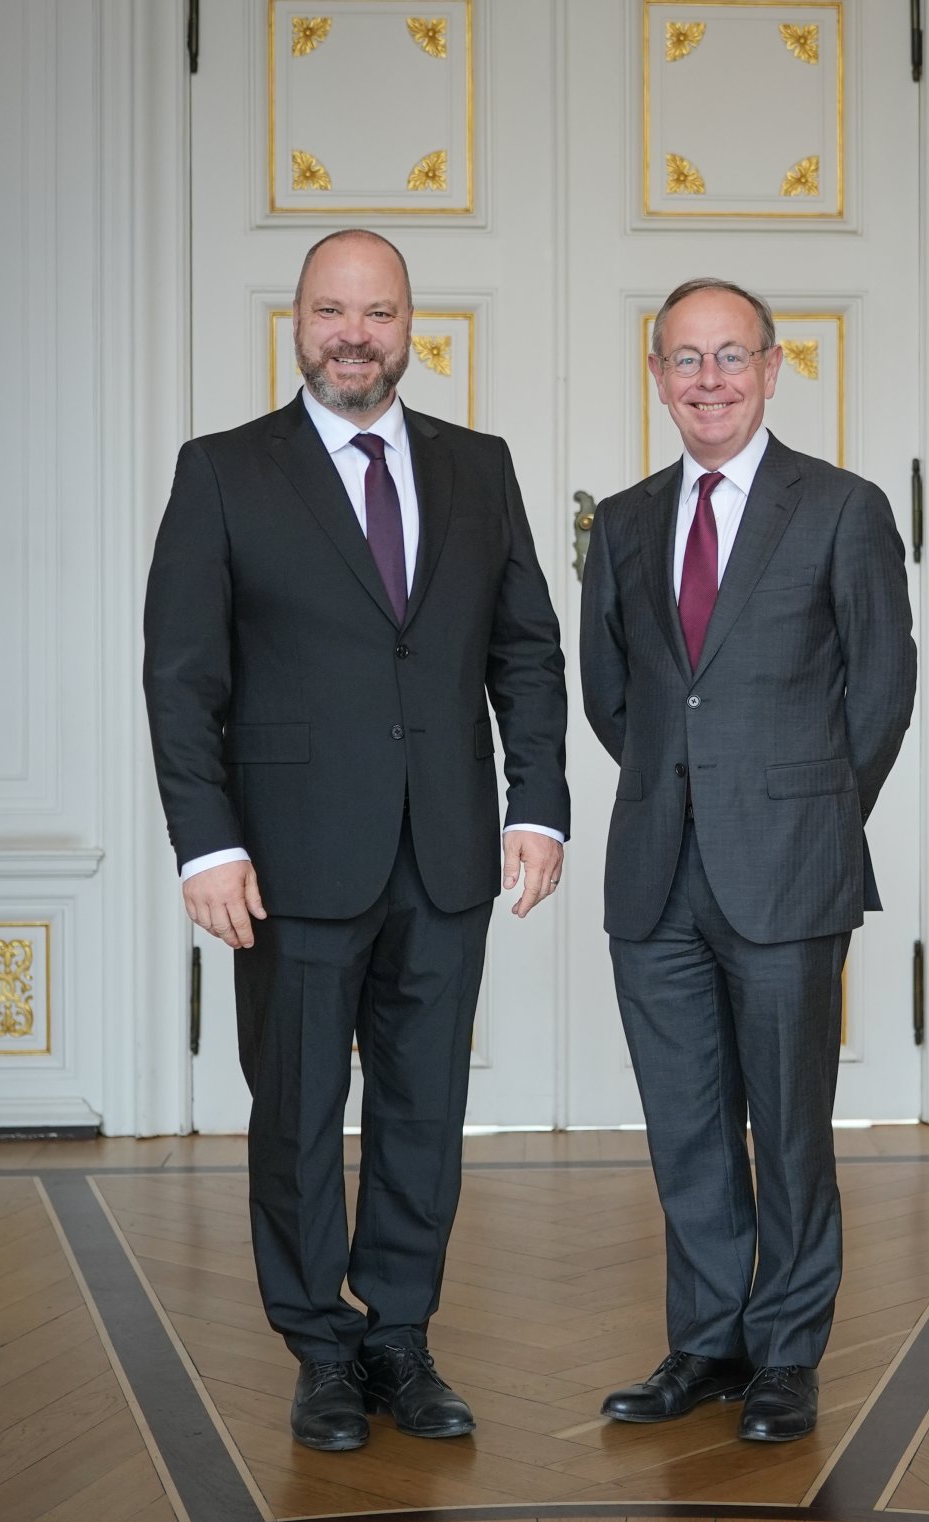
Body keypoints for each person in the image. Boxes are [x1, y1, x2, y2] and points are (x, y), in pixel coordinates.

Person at [144, 230, 568, 1453]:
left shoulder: (480, 467)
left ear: (410, 326)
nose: (355, 335)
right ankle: (320, 1350)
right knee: (295, 1111)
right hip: (287, 860)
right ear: (297, 321)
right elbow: (182, 678)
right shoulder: (224, 471)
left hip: (447, 851)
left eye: (378, 313)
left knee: (425, 1109)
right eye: (332, 310)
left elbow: (526, 651)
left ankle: (398, 1337)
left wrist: (536, 804)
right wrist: (205, 844)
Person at [581, 277, 915, 1443]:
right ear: (657, 376)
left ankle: (784, 1355)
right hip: (655, 873)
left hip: (790, 869)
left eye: (731, 355)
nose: (709, 379)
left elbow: (882, 689)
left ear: (774, 369)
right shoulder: (623, 523)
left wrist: (806, 814)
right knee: (686, 1130)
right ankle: (708, 1343)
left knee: (790, 1128)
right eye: (686, 358)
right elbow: (613, 697)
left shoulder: (842, 508)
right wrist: (686, 790)